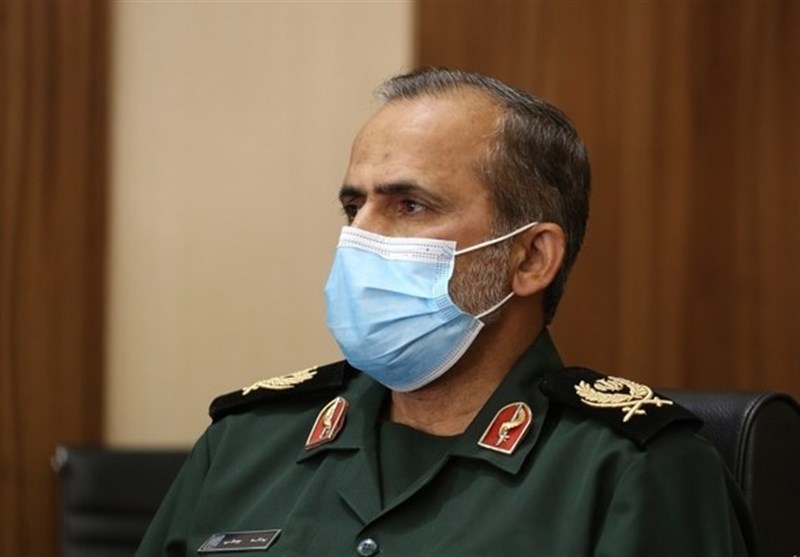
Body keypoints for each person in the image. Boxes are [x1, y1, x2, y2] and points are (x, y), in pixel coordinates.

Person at [137, 68, 756, 556]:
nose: (358, 237)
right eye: (354, 207)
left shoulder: (632, 470)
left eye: (410, 206)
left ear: (530, 258)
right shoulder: (245, 444)